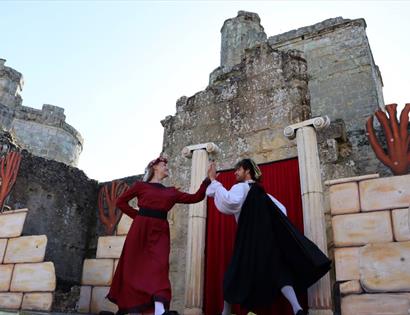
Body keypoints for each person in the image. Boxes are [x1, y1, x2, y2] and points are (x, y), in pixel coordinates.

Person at [206, 159, 331, 315]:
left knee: (234, 274)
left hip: (247, 241)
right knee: (279, 272)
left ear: (247, 171)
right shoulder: (264, 194)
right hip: (267, 241)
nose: (235, 173)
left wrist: (213, 180)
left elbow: (228, 201)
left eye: (238, 170)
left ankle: (225, 312)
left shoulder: (241, 188)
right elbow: (282, 211)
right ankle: (297, 308)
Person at [107, 156, 211, 315]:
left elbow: (196, 197)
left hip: (160, 232)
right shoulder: (140, 186)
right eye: (164, 165)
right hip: (140, 230)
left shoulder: (172, 192)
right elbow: (121, 202)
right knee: (133, 267)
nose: (167, 168)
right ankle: (134, 308)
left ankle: (159, 310)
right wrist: (139, 216)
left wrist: (207, 181)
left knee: (159, 268)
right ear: (154, 167)